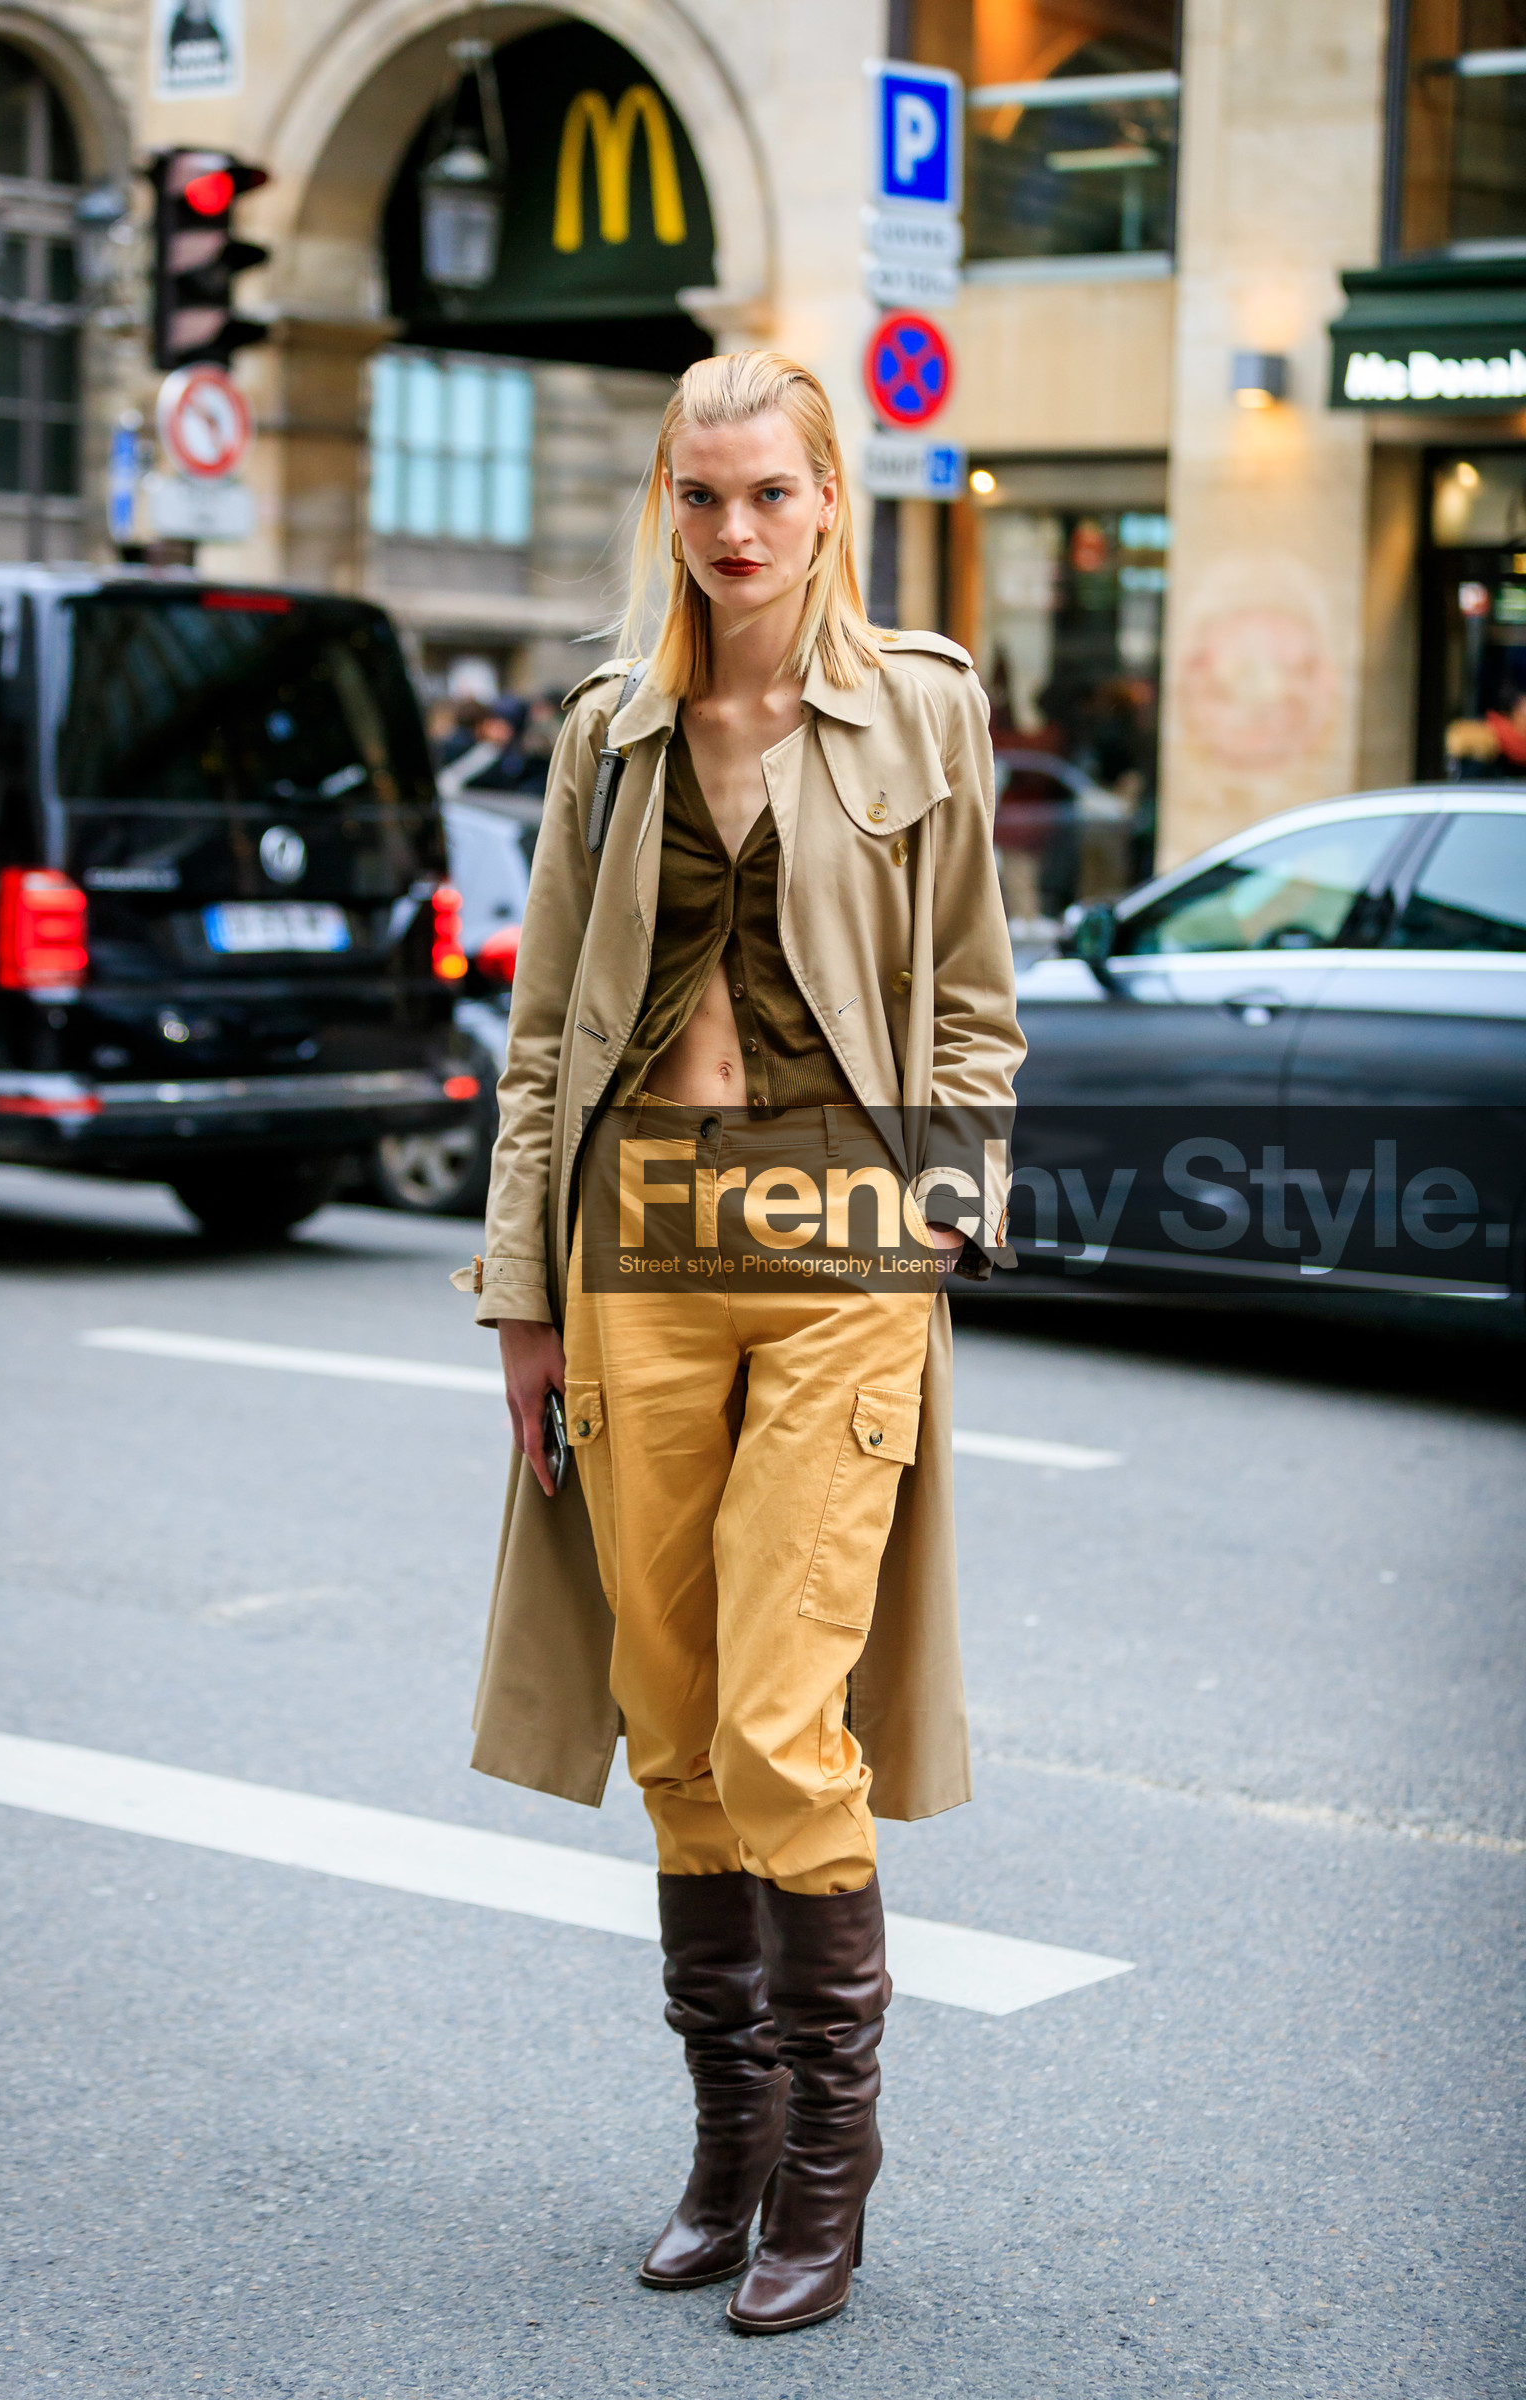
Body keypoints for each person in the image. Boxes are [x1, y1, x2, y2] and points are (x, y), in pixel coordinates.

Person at [459, 351, 1024, 2334]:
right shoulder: (609, 734)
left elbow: (970, 1000)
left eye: (767, 493)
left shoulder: (920, 710)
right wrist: (522, 1297)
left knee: (790, 1722)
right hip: (637, 1251)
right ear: (669, 509)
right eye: (701, 496)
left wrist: (947, 1198)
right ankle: (724, 2152)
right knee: (679, 1729)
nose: (732, 531)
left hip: (839, 1249)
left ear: (826, 499)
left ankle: (823, 2190)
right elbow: (540, 1044)